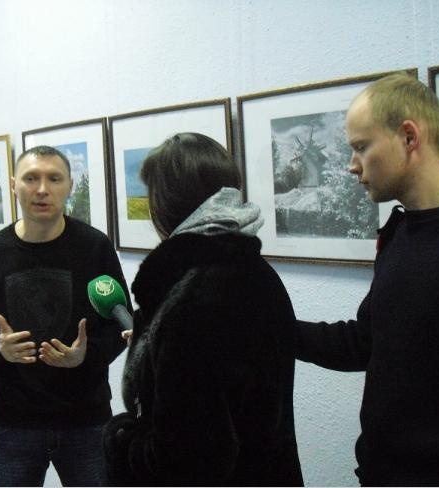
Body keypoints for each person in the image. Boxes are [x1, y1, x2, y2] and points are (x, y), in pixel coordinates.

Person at [296, 73, 439, 486]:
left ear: (408, 137)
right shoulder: (399, 232)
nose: (352, 165)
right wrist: (271, 327)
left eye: (361, 147)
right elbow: (367, 341)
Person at [102, 132, 303, 486]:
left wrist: (121, 438)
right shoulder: (255, 271)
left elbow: (188, 458)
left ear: (163, 203)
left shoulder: (195, 298)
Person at [0, 145, 129, 486]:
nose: (42, 189)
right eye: (31, 178)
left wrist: (85, 356)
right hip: (14, 420)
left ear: (69, 186)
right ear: (13, 185)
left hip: (86, 419)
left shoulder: (95, 247)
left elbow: (119, 326)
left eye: (54, 179)